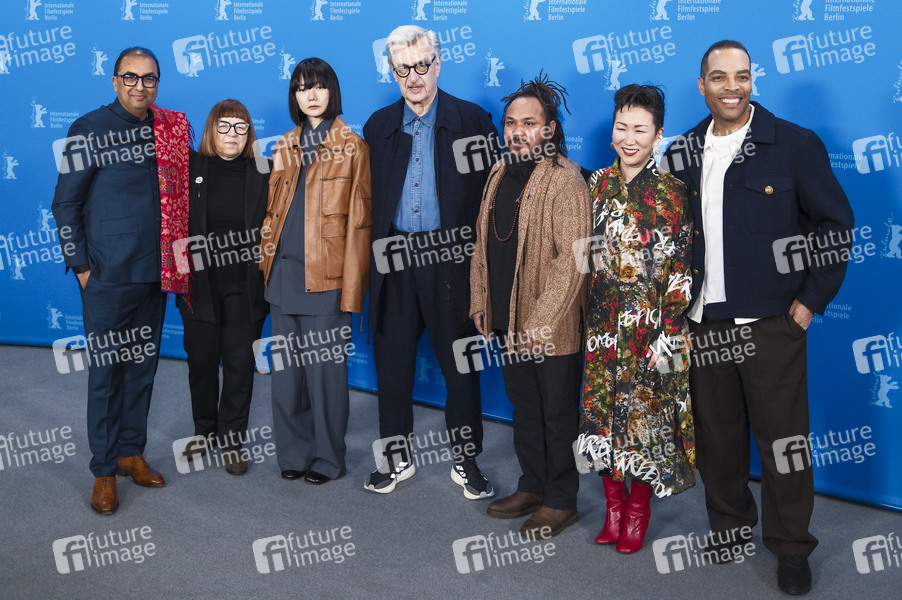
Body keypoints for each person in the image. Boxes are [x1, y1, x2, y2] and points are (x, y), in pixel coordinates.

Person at [663, 40, 853, 595]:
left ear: (752, 81)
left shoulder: (794, 144)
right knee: (717, 439)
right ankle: (729, 527)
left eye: (742, 76)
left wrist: (808, 304)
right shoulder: (683, 150)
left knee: (784, 444)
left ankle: (791, 547)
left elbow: (836, 226)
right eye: (720, 77)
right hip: (704, 324)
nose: (732, 87)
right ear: (702, 85)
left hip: (772, 326)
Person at [52, 47, 191, 514]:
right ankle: (104, 470)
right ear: (114, 81)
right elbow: (65, 204)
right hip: (107, 277)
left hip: (155, 273)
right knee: (106, 376)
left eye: (149, 78)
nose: (139, 86)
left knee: (142, 369)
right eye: (130, 77)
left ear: (158, 83)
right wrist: (82, 267)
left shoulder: (168, 129)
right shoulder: (87, 129)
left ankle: (132, 453)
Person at [363, 25, 499, 498]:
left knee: (461, 366)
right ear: (392, 72)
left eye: (422, 64)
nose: (414, 77)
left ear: (438, 63)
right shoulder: (378, 126)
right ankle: (395, 458)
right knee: (392, 364)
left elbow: (493, 200)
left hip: (451, 261)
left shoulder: (473, 121)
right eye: (403, 68)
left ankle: (466, 461)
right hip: (394, 258)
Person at [470, 74, 590, 538]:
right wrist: (480, 298)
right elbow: (483, 243)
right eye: (511, 122)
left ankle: (561, 501)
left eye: (529, 123)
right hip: (509, 319)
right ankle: (533, 486)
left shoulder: (566, 181)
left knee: (556, 416)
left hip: (549, 329)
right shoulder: (499, 172)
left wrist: (539, 326)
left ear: (550, 129)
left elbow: (574, 263)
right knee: (525, 409)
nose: (517, 131)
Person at [579, 84, 695, 554]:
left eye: (640, 130)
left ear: (658, 134)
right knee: (601, 418)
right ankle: (612, 507)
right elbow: (584, 258)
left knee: (645, 423)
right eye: (622, 127)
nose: (629, 139)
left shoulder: (673, 193)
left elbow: (682, 269)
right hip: (602, 328)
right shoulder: (594, 185)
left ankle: (638, 512)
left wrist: (668, 335)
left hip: (652, 332)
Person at [259, 57, 371, 485]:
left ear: (332, 91)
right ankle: (294, 454)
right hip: (282, 279)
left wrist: (351, 293)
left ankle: (327, 459)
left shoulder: (353, 147)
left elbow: (360, 226)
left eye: (319, 86)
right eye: (302, 87)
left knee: (325, 381)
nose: (311, 94)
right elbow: (272, 213)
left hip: (327, 282)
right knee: (286, 379)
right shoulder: (284, 145)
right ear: (294, 95)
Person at [175, 100, 269, 475]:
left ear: (249, 133)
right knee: (200, 365)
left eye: (240, 127)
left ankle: (232, 440)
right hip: (199, 287)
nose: (232, 134)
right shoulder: (190, 168)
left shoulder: (265, 170)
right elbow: (173, 222)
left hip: (246, 287)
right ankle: (204, 432)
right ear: (211, 130)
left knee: (239, 366)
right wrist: (182, 275)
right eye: (224, 126)